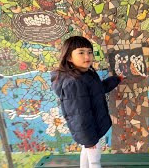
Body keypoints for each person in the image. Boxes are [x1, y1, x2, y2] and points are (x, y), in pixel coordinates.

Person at [51, 36, 124, 168]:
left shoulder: (86, 74)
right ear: (68, 57)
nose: (87, 56)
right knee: (95, 160)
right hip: (88, 131)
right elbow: (79, 115)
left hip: (92, 128)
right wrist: (89, 139)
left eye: (90, 52)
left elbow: (99, 89)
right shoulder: (73, 83)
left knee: (87, 151)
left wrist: (115, 80)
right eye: (81, 52)